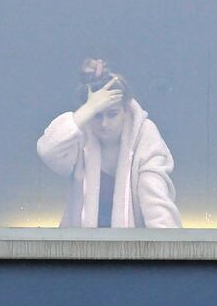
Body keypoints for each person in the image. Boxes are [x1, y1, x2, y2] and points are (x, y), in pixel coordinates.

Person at [37, 59, 181, 228]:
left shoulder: (143, 134)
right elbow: (48, 150)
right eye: (98, 115)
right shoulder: (81, 135)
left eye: (112, 114)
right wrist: (88, 108)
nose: (104, 123)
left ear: (126, 110)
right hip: (77, 251)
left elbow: (156, 202)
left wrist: (166, 249)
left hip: (133, 252)